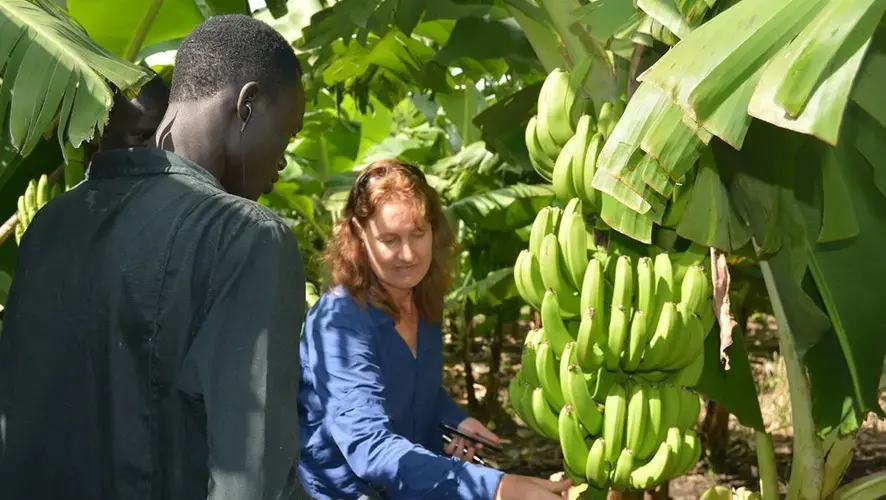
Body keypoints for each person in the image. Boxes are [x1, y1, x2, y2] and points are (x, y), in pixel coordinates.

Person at [0, 14, 308, 500]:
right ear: (246, 105)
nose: (283, 159)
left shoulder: (51, 225)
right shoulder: (248, 237)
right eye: (287, 134)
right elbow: (251, 480)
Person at [297, 158, 573, 500]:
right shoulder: (340, 322)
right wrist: (498, 488)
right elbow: (368, 447)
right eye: (390, 240)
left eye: (418, 233)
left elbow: (408, 384)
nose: (409, 254)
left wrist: (452, 420)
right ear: (358, 235)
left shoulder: (423, 300)